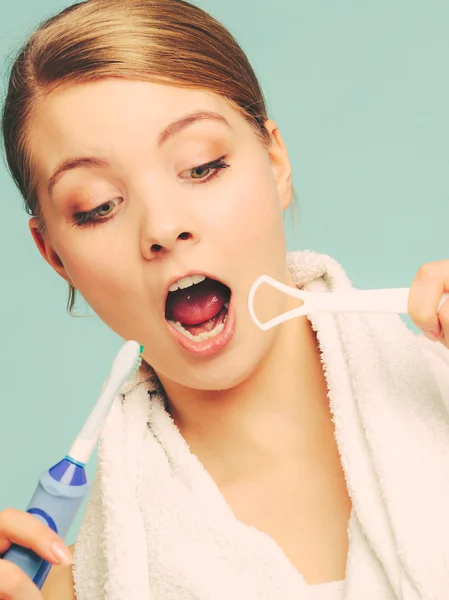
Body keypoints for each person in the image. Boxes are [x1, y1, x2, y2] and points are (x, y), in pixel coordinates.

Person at [1, 1, 449, 599]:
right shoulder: (62, 590)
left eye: (201, 166)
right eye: (99, 205)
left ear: (275, 161)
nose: (162, 227)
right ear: (55, 254)